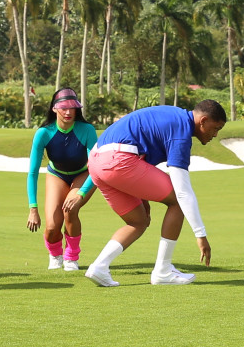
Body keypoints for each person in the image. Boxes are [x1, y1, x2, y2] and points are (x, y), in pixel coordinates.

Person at [82, 100, 224, 287]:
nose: (215, 134)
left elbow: (141, 147)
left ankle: (99, 267)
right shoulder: (181, 133)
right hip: (119, 160)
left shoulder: (174, 116)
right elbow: (183, 192)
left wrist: (143, 197)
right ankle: (163, 271)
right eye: (216, 128)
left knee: (138, 221)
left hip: (95, 162)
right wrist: (201, 235)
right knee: (177, 201)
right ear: (203, 121)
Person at [26, 87, 98, 270]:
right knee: (51, 227)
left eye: (72, 108)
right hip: (56, 174)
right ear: (54, 108)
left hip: (83, 174)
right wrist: (33, 208)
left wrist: (81, 193)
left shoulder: (87, 130)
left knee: (70, 210)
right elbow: (33, 173)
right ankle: (55, 255)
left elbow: (95, 167)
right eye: (63, 108)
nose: (68, 112)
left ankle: (71, 257)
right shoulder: (43, 133)